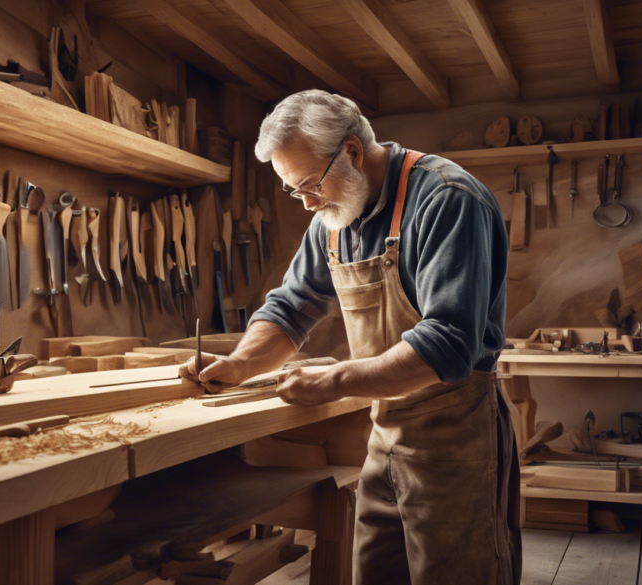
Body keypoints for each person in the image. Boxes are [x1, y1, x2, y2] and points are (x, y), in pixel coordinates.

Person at [179, 90, 520, 584]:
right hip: (384, 435)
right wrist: (241, 364)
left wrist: (332, 380)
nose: (307, 204)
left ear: (353, 153)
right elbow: (292, 305)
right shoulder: (333, 217)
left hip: (459, 439)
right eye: (293, 191)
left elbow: (447, 343)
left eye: (309, 185)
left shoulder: (446, 198)